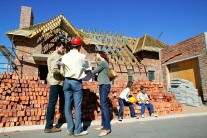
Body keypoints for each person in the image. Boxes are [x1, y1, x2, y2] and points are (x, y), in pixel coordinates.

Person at [61, 37, 90, 136]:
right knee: (77, 107)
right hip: (76, 82)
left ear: (71, 45)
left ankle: (70, 129)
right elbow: (87, 66)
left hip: (66, 81)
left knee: (67, 106)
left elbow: (62, 69)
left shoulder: (65, 56)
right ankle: (77, 131)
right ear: (80, 46)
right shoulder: (82, 56)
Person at [44, 41, 65, 133]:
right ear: (57, 47)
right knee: (52, 103)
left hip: (58, 82)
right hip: (56, 81)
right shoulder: (56, 56)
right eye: (62, 48)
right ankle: (48, 126)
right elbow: (54, 69)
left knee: (60, 101)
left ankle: (61, 119)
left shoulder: (55, 56)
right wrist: (64, 72)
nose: (63, 49)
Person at [91, 51, 111, 137]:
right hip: (103, 85)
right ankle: (103, 125)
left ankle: (107, 128)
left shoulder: (103, 62)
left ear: (100, 55)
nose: (96, 56)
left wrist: (87, 67)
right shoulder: (103, 63)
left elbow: (94, 71)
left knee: (103, 105)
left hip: (104, 85)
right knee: (103, 105)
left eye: (96, 54)